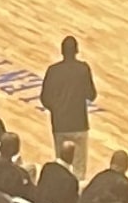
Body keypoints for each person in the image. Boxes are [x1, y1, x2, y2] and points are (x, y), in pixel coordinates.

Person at [40, 41, 98, 173]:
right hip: (79, 124)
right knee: (79, 168)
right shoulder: (83, 69)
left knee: (61, 165)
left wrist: (56, 110)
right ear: (77, 51)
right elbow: (92, 95)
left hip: (60, 124)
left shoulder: (53, 70)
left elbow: (44, 99)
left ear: (62, 51)